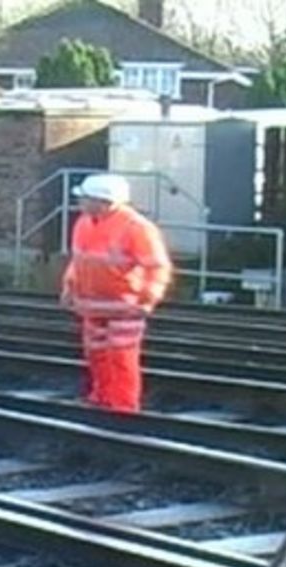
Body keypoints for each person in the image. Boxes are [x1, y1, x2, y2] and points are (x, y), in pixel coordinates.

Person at [61, 174, 173, 413]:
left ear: (103, 201)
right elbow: (79, 260)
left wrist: (147, 300)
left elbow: (157, 267)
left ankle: (123, 405)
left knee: (121, 357)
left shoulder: (137, 228)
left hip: (125, 307)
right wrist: (69, 287)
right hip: (92, 306)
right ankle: (101, 398)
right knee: (97, 355)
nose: (80, 203)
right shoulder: (83, 223)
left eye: (85, 198)